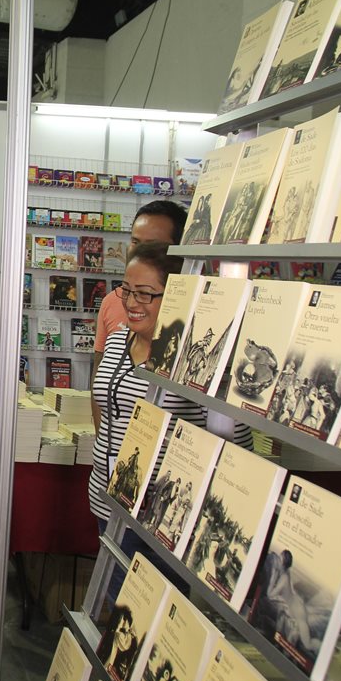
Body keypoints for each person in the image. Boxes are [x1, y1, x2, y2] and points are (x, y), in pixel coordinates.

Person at [90, 242, 251, 597]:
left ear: (177, 295)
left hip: (160, 517)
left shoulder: (194, 360)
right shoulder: (119, 341)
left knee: (148, 613)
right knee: (118, 603)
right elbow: (104, 401)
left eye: (146, 294)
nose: (131, 303)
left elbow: (233, 440)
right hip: (107, 501)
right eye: (127, 290)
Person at [92, 200, 187, 429]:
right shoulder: (113, 302)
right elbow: (99, 379)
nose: (140, 252)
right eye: (135, 242)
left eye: (152, 245)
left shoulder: (189, 339)